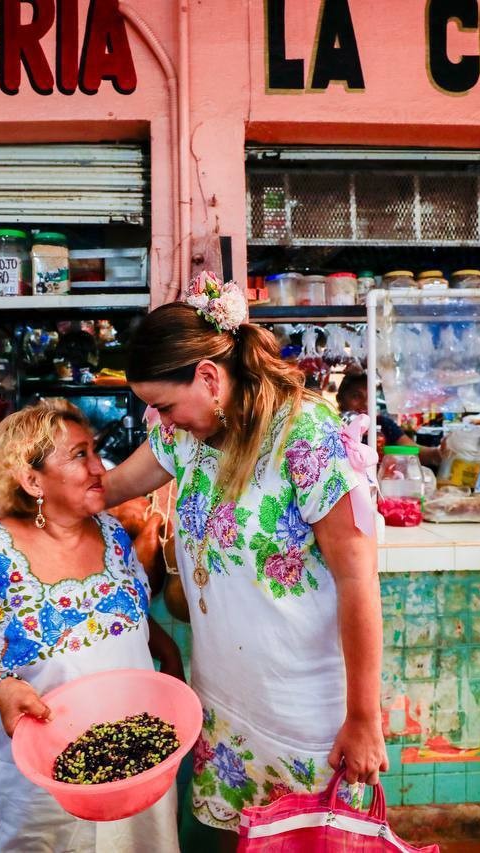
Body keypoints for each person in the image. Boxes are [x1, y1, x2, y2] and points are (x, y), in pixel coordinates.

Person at [108, 272, 386, 843]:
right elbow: (108, 489)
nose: (159, 420)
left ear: (208, 376)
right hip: (225, 705)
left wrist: (364, 719)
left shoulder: (307, 436)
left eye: (163, 404)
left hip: (304, 711)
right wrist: (28, 490)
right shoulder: (184, 437)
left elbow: (360, 583)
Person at [0, 399, 181, 853]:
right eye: (79, 455)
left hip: (126, 768)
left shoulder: (110, 533)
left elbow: (114, 614)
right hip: (28, 795)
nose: (99, 468)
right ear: (31, 480)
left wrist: (166, 652)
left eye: (94, 451)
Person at [335, 373, 443, 466]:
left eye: (370, 397)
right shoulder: (331, 427)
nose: (366, 404)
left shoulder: (383, 424)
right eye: (356, 396)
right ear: (340, 399)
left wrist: (438, 452)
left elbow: (413, 451)